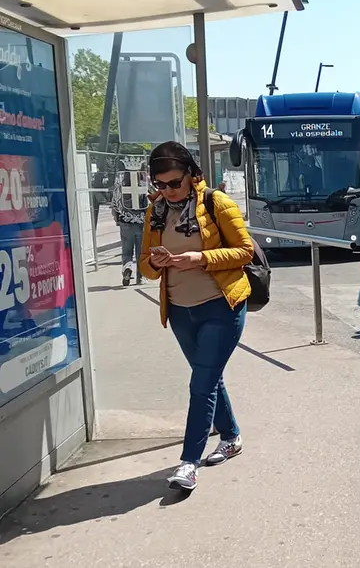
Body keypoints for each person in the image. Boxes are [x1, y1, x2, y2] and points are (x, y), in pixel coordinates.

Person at [138, 141, 254, 492]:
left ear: (191, 175)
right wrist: (155, 263)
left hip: (222, 306)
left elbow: (245, 251)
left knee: (201, 384)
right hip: (179, 312)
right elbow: (145, 263)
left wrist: (200, 259)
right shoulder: (155, 211)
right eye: (160, 185)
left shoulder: (216, 203)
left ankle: (188, 463)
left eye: (174, 183)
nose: (168, 191)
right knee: (209, 378)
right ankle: (231, 436)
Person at [112, 159, 150, 286]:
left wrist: (118, 219)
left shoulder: (120, 184)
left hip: (125, 221)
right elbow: (151, 201)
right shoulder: (145, 183)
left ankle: (127, 268)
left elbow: (115, 204)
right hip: (142, 222)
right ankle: (141, 277)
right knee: (141, 251)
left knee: (127, 250)